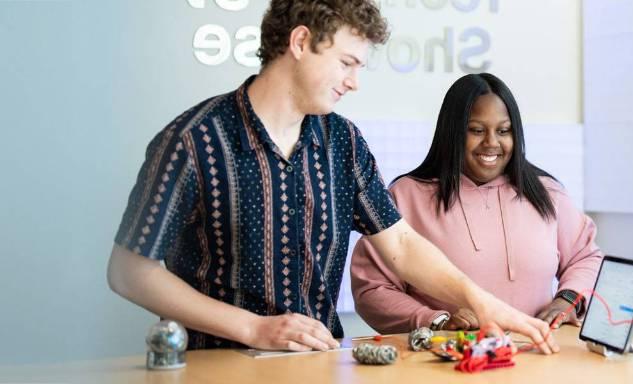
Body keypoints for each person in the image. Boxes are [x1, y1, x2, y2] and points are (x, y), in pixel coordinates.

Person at [106, 0, 557, 354]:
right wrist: (254, 328)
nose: (354, 81)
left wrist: (480, 301)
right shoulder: (193, 140)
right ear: (301, 42)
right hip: (216, 365)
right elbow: (129, 272)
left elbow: (399, 245)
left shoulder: (342, 140)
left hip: (319, 362)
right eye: (346, 63)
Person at [350, 73, 603, 334]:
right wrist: (434, 321)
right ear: (453, 133)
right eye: (477, 130)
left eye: (503, 131)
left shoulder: (547, 193)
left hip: (537, 359)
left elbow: (586, 257)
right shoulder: (405, 196)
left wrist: (569, 298)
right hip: (443, 364)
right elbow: (373, 288)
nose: (492, 143)